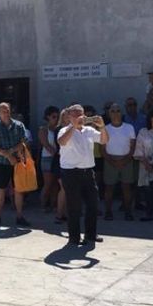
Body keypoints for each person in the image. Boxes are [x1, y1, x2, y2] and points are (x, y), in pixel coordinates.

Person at [57, 104, 109, 247]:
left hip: (88, 171)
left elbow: (104, 140)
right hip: (71, 173)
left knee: (93, 204)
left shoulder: (89, 130)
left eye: (81, 114)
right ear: (69, 117)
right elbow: (61, 142)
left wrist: (102, 127)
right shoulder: (64, 130)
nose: (79, 117)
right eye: (75, 114)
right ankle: (74, 237)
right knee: (74, 206)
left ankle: (90, 234)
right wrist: (73, 127)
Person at [0, 102, 32, 227]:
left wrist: (12, 151)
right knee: (1, 189)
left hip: (17, 162)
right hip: (1, 162)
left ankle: (19, 216)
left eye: (7, 110)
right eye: (3, 111)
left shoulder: (19, 125)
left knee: (18, 189)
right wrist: (7, 155)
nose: (6, 113)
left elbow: (24, 142)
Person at [103, 103, 137, 221]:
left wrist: (125, 160)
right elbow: (103, 148)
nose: (115, 113)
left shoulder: (129, 127)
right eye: (113, 111)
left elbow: (133, 146)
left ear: (121, 113)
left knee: (126, 187)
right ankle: (108, 212)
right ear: (109, 114)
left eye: (118, 111)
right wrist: (112, 161)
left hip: (127, 160)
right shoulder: (105, 128)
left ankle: (128, 212)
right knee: (109, 188)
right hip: (110, 160)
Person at [39, 107, 61, 212]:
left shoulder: (59, 129)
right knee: (48, 184)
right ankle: (43, 205)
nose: (56, 119)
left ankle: (54, 205)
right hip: (48, 158)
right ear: (48, 117)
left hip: (57, 158)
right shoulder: (43, 129)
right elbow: (46, 145)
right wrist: (57, 154)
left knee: (56, 184)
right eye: (53, 117)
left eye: (57, 117)